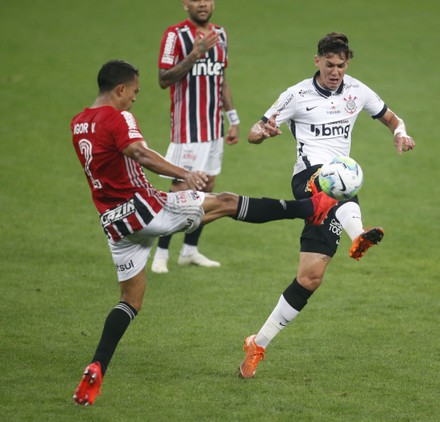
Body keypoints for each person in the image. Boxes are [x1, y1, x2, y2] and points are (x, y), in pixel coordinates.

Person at [71, 59, 337, 405]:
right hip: (147, 208)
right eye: (134, 92)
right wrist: (186, 172)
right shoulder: (117, 117)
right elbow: (138, 152)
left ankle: (96, 368)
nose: (135, 99)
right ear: (120, 89)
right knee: (225, 201)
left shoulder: (78, 123)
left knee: (130, 301)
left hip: (114, 223)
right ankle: (311, 207)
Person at [239, 32, 415, 379]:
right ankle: (359, 232)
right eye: (329, 65)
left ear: (347, 63)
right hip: (307, 176)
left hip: (336, 190)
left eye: (341, 65)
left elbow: (392, 118)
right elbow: (254, 132)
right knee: (342, 176)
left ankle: (257, 343)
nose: (335, 71)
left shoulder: (357, 91)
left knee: (310, 277)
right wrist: (264, 132)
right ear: (317, 61)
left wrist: (399, 133)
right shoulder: (296, 95)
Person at [151, 0, 240, 273]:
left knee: (206, 190)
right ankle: (161, 255)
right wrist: (194, 54)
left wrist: (232, 118)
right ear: (185, 4)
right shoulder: (175, 35)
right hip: (188, 131)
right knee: (181, 193)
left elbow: (220, 78)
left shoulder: (221, 34)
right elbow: (164, 78)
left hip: (214, 130)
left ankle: (189, 251)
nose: (202, 3)